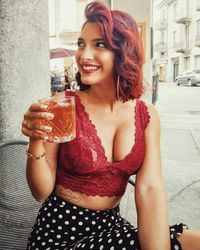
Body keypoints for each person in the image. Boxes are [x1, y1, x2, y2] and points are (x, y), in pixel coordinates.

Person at [21, 2, 200, 250]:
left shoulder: (146, 115)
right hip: (59, 234)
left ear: (124, 52)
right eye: (81, 44)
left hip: (111, 229)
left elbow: (149, 189)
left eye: (100, 44)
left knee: (192, 241)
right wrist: (35, 138)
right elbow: (40, 192)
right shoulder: (61, 107)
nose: (83, 55)